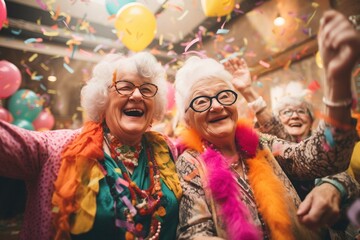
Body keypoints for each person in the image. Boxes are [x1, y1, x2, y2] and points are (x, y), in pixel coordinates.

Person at [173, 10, 359, 240]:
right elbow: (194, 233)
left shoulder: (262, 143)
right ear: (188, 118)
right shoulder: (190, 163)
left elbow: (321, 159)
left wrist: (337, 83)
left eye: (224, 96)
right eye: (201, 101)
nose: (216, 106)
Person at [0, 52, 182, 240]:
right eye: (125, 86)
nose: (137, 95)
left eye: (146, 89)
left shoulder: (167, 149)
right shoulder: (57, 148)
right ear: (104, 99)